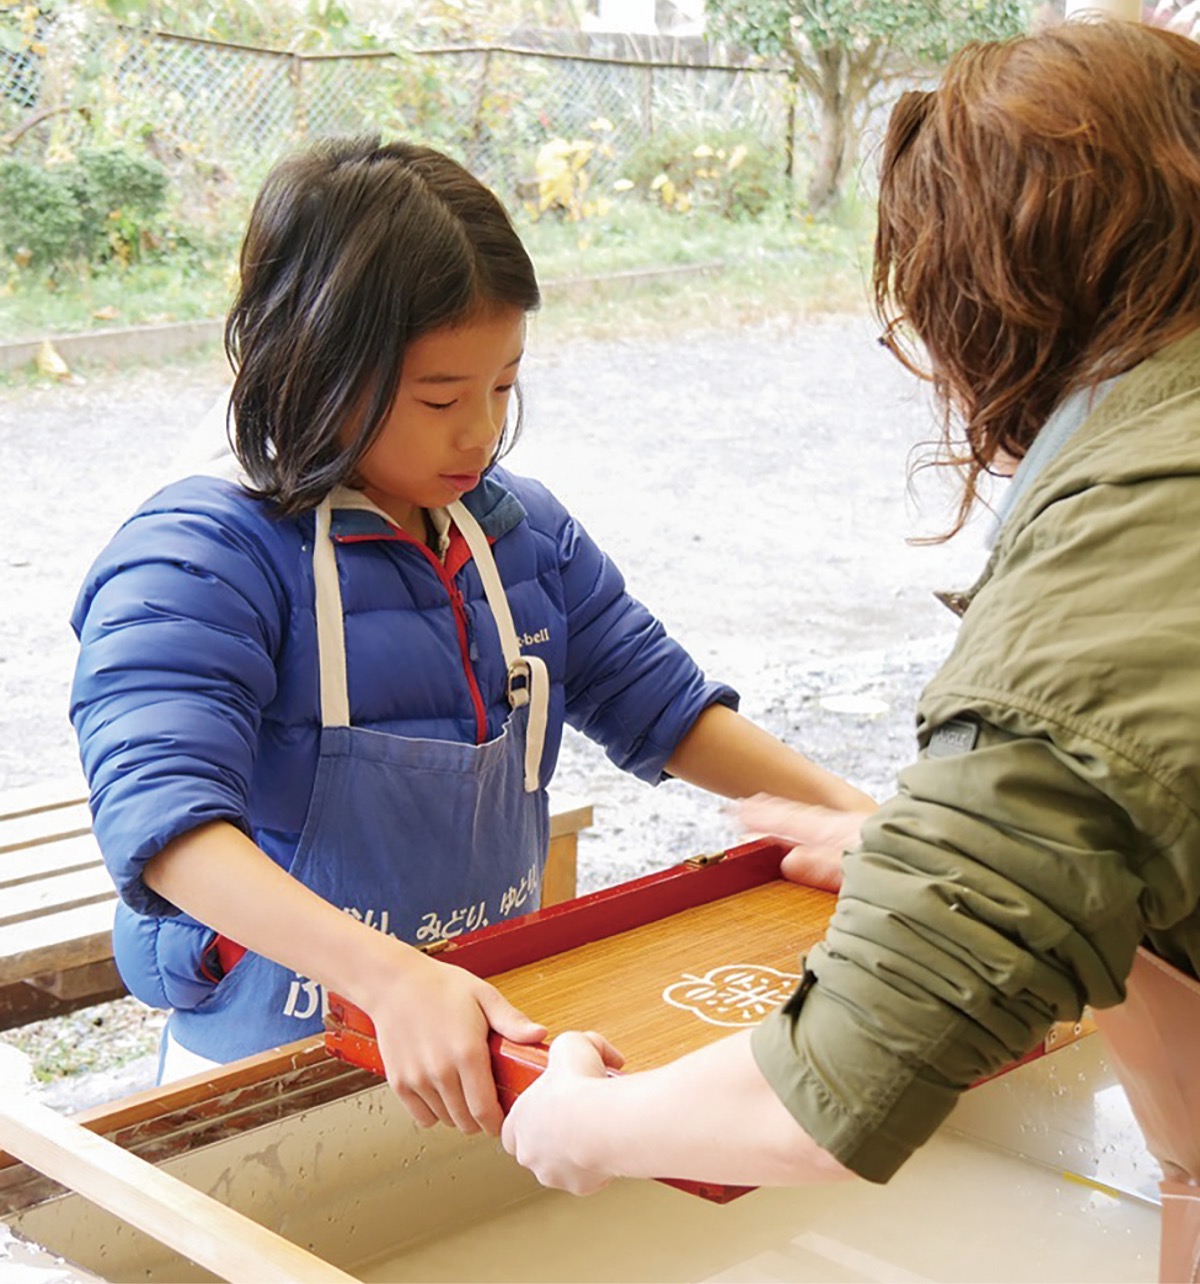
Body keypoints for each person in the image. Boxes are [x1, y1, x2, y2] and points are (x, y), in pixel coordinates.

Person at [499, 21, 1200, 1270]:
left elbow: (828, 1087)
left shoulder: (1123, 551)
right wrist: (907, 841)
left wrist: (586, 1125)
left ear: (992, 305)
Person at [69, 136, 874, 1136]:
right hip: (271, 1072)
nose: (480, 433)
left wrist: (874, 827)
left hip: (480, 1043)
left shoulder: (520, 534)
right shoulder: (201, 555)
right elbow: (164, 824)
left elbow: (664, 708)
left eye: (504, 385)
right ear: (314, 367)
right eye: (442, 398)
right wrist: (389, 979)